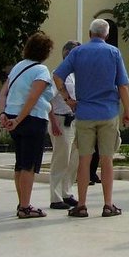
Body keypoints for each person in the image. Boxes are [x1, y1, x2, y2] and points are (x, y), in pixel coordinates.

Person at [53, 19, 129, 219]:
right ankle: (107, 204)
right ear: (105, 34)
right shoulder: (114, 52)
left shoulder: (78, 52)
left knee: (84, 160)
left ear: (90, 33)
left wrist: (67, 98)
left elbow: (58, 75)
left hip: (85, 112)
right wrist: (127, 110)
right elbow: (122, 85)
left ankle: (81, 205)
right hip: (108, 112)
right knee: (106, 160)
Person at [0, 32, 55, 219]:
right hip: (32, 118)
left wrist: (3, 114)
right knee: (29, 165)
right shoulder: (41, 70)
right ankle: (25, 206)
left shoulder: (17, 68)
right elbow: (33, 97)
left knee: (20, 163)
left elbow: (4, 92)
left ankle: (21, 202)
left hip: (13, 115)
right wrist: (19, 118)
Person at [48, 40, 80, 210]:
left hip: (74, 120)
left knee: (73, 159)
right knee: (61, 159)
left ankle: (67, 192)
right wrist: (53, 122)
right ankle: (55, 197)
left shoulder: (75, 74)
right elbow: (48, 99)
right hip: (60, 119)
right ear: (66, 53)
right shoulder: (58, 74)